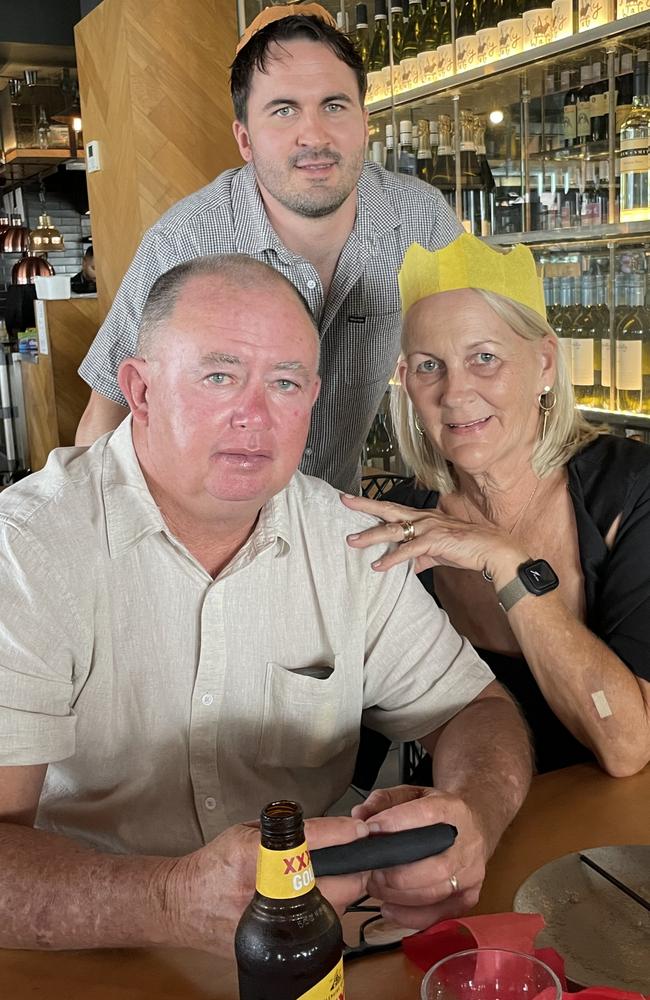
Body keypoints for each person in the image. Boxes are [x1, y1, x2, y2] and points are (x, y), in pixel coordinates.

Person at [0, 254, 532, 955]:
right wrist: (168, 900)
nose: (254, 414)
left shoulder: (345, 537)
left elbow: (478, 710)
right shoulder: (28, 549)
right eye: (219, 375)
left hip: (330, 942)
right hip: (94, 955)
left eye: (283, 382)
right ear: (141, 390)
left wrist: (473, 819)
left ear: (311, 397)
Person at [74, 3, 462, 491]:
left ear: (364, 122)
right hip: (202, 527)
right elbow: (105, 415)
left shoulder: (420, 219)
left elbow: (472, 370)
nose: (314, 135)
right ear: (245, 139)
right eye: (283, 110)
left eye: (334, 106)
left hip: (333, 520)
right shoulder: (186, 242)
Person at [343, 235, 650, 778]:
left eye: (484, 358)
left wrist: (509, 564)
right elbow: (352, 747)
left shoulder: (629, 490)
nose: (455, 393)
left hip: (605, 845)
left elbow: (627, 744)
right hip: (464, 824)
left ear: (545, 363)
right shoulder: (398, 521)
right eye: (428, 365)